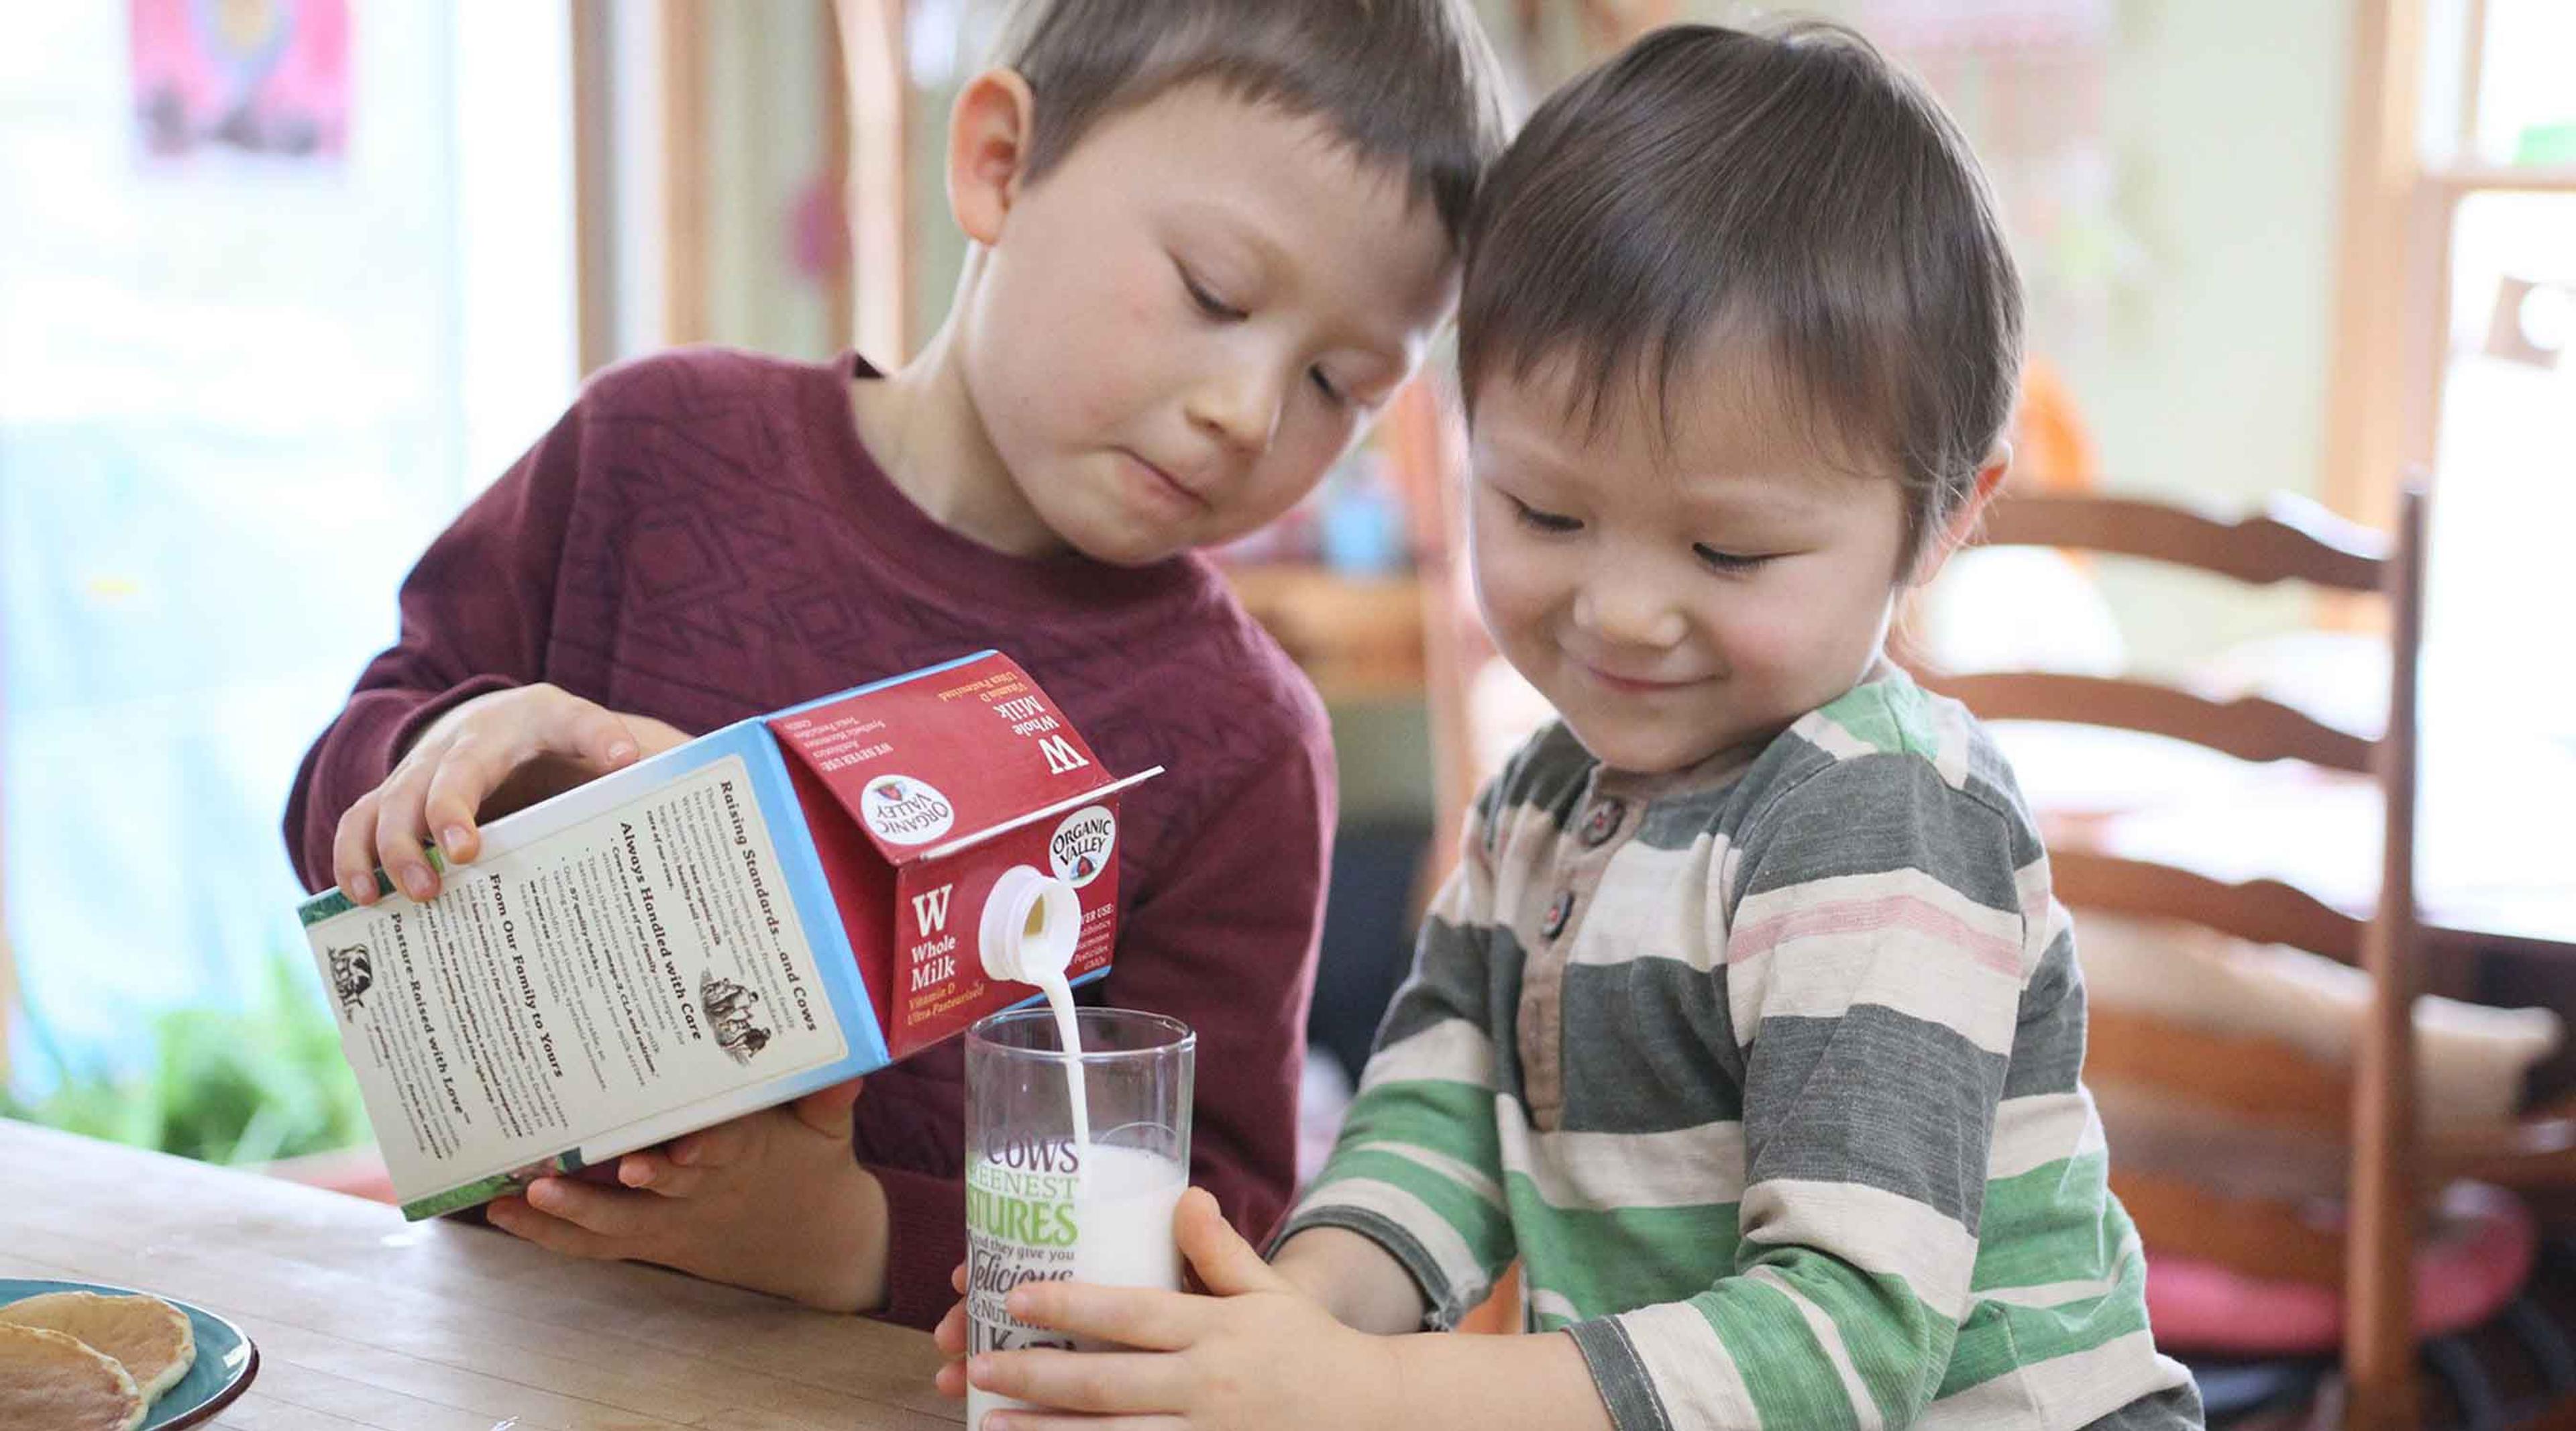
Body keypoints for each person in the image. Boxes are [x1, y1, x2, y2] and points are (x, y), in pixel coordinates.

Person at [946, 22, 2205, 1428]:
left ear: (1943, 523)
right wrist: (1260, 1336)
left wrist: (1365, 1390)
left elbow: (1845, 1340)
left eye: (1727, 553)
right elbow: (1437, 1131)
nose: (1621, 613)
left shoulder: (1881, 820)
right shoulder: (1549, 797)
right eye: (1546, 512)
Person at [282, 0, 1506, 1330]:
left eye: (1340, 384)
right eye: (1215, 293)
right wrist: (447, 767)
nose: (1249, 410)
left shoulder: (1239, 742)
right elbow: (342, 790)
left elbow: (1204, 1228)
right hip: (491, 1344)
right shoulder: (650, 453)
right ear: (997, 163)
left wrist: (854, 1236)